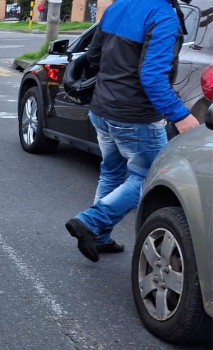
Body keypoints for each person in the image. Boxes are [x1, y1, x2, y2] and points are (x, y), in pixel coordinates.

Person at [65, 0, 201, 262]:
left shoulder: (117, 7)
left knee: (112, 172)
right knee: (149, 176)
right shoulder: (163, 16)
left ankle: (100, 237)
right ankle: (90, 222)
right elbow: (152, 76)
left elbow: (94, 56)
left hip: (102, 109)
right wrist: (181, 115)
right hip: (135, 116)